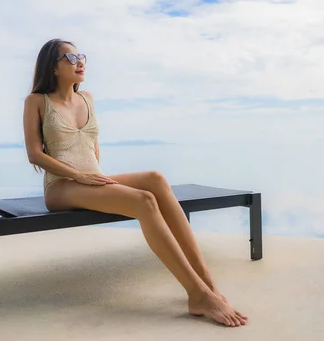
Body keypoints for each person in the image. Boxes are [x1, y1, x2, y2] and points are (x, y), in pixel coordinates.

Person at [22, 38, 248, 327]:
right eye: (71, 58)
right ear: (53, 67)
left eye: (82, 56)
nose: (80, 62)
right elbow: (34, 154)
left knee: (155, 179)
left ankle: (207, 283)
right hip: (62, 187)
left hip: (92, 179)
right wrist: (79, 176)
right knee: (144, 201)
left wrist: (99, 181)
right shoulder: (37, 101)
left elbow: (92, 146)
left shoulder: (87, 98)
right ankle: (197, 294)